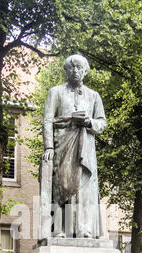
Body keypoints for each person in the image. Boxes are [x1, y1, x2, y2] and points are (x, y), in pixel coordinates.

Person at [42, 54, 107, 238]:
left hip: (85, 147)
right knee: (61, 184)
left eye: (79, 68)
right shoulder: (55, 92)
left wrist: (89, 122)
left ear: (85, 71)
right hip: (62, 144)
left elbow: (102, 123)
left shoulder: (94, 96)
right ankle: (59, 229)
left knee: (84, 187)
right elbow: (47, 120)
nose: (75, 71)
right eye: (71, 68)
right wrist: (48, 147)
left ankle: (84, 229)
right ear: (66, 70)